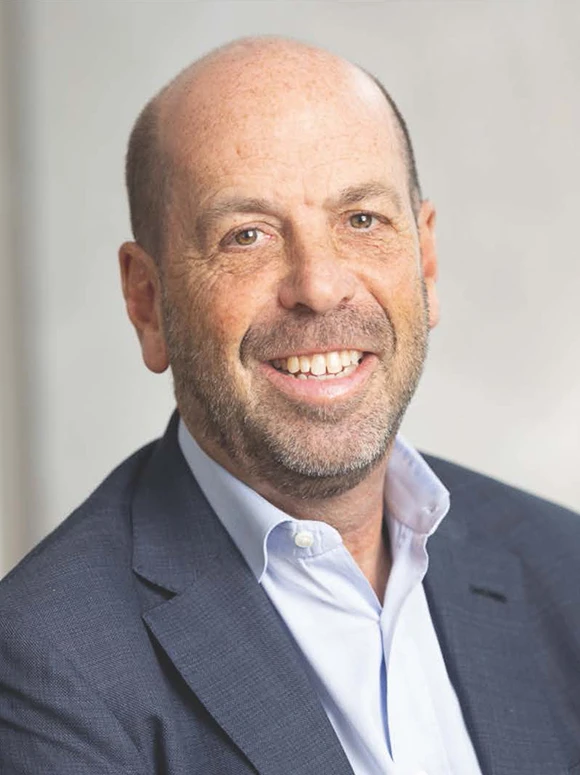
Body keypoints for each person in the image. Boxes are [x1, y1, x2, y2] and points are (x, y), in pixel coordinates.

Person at [0, 36, 579, 775]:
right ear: (147, 301)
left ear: (426, 263)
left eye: (362, 219)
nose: (319, 285)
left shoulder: (563, 567)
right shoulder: (47, 668)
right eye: (247, 235)